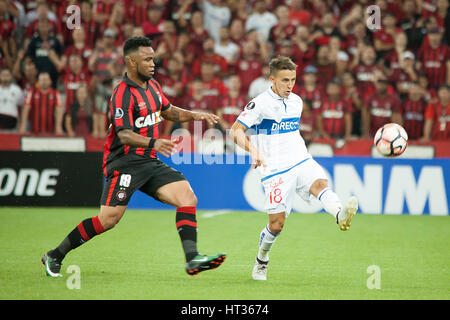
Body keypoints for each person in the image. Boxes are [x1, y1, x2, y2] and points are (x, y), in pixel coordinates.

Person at [41, 36, 226, 278]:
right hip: (124, 163)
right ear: (131, 61)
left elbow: (169, 111)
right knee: (108, 220)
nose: (153, 64)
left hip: (149, 161)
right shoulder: (122, 94)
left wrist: (196, 116)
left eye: (154, 59)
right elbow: (124, 134)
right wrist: (154, 142)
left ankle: (192, 259)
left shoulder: (154, 87)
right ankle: (55, 255)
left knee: (187, 197)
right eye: (147, 59)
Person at [229, 56, 358, 281]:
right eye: (285, 80)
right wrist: (254, 151)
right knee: (276, 225)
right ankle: (261, 260)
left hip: (301, 159)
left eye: (293, 80)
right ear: (272, 79)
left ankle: (340, 214)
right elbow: (235, 131)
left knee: (320, 183)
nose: (290, 85)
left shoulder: (297, 101)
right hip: (275, 169)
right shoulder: (259, 103)